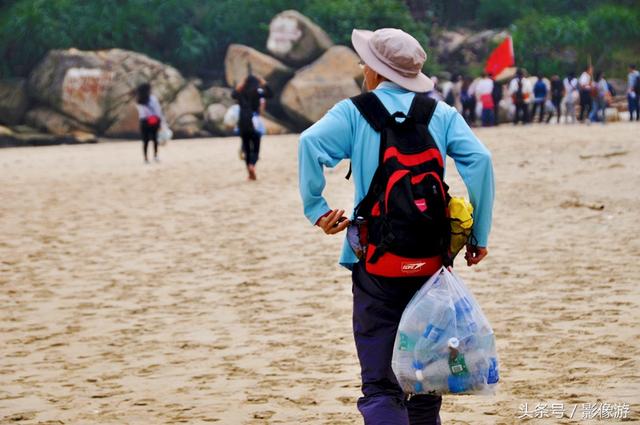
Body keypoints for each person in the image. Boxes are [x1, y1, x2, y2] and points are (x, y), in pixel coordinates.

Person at [298, 27, 495, 425]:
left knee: (381, 385)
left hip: (375, 263)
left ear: (373, 70)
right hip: (430, 261)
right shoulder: (439, 113)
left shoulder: (355, 112)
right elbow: (481, 161)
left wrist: (317, 210)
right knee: (425, 379)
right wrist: (478, 234)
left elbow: (309, 143)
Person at [232, 75, 273, 180]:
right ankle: (252, 165)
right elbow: (270, 94)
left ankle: (249, 172)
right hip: (254, 122)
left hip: (243, 123)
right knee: (256, 147)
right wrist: (264, 83)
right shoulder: (257, 92)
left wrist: (239, 86)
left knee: (246, 148)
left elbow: (233, 95)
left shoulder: (241, 93)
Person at [136, 83, 165, 163]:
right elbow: (158, 111)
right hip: (153, 121)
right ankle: (155, 156)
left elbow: (141, 113)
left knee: (145, 141)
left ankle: (145, 158)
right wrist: (160, 122)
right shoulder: (153, 99)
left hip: (143, 121)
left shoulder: (139, 101)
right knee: (155, 139)